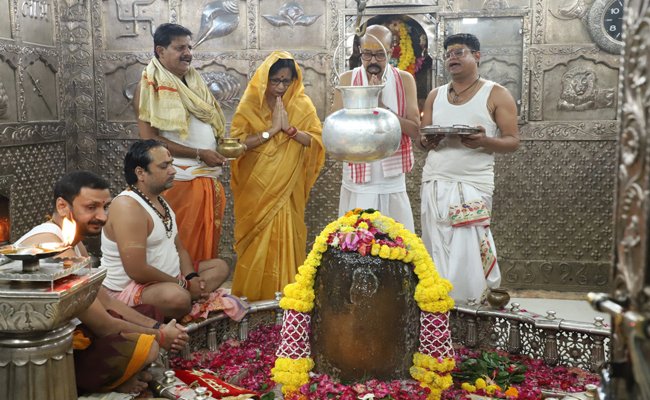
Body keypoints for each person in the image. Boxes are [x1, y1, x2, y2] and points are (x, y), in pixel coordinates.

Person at [16, 170, 188, 395]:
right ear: (62, 206)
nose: (102, 216)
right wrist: (162, 336)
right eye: (91, 208)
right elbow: (103, 325)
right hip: (41, 353)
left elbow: (106, 299)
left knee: (149, 313)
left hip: (73, 331)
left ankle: (120, 374)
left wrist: (158, 327)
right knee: (148, 348)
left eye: (105, 207)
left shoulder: (73, 242)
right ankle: (103, 382)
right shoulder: (51, 245)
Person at [419, 33, 520, 302]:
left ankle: (471, 304)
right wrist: (429, 140)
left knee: (469, 250)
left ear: (477, 56)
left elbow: (512, 141)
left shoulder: (496, 93)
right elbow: (422, 139)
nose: (452, 57)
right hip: (435, 179)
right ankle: (438, 304)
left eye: (459, 52)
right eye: (448, 54)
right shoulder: (435, 95)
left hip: (473, 183)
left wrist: (484, 141)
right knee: (436, 245)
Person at [229, 51, 325, 301]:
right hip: (256, 186)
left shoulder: (302, 104)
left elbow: (316, 140)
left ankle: (288, 298)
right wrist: (271, 131)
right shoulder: (250, 104)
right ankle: (252, 298)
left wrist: (290, 130)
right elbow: (238, 144)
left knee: (287, 234)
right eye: (275, 81)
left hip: (288, 187)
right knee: (257, 240)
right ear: (265, 79)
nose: (281, 87)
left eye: (286, 81)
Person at [101, 140, 230, 319]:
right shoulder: (127, 207)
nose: (173, 171)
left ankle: (187, 299)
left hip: (170, 278)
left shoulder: (160, 200)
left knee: (219, 267)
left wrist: (191, 277)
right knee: (178, 298)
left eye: (171, 164)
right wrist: (184, 285)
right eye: (164, 166)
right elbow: (137, 271)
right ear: (140, 173)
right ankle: (180, 304)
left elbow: (179, 248)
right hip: (131, 288)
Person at [133, 22, 228, 264]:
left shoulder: (194, 82)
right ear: (160, 50)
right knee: (181, 250)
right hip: (179, 181)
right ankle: (181, 287)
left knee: (205, 253)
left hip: (205, 178)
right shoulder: (148, 87)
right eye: (179, 48)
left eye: (189, 47)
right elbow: (150, 140)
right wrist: (199, 153)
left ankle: (198, 287)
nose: (187, 53)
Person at [332, 24, 421, 232]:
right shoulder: (347, 80)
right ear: (359, 51)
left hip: (391, 180)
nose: (372, 61)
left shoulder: (404, 80)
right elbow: (335, 129)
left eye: (380, 54)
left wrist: (381, 108)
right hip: (358, 179)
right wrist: (365, 104)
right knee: (356, 239)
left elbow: (415, 131)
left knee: (395, 240)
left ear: (390, 52)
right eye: (367, 54)